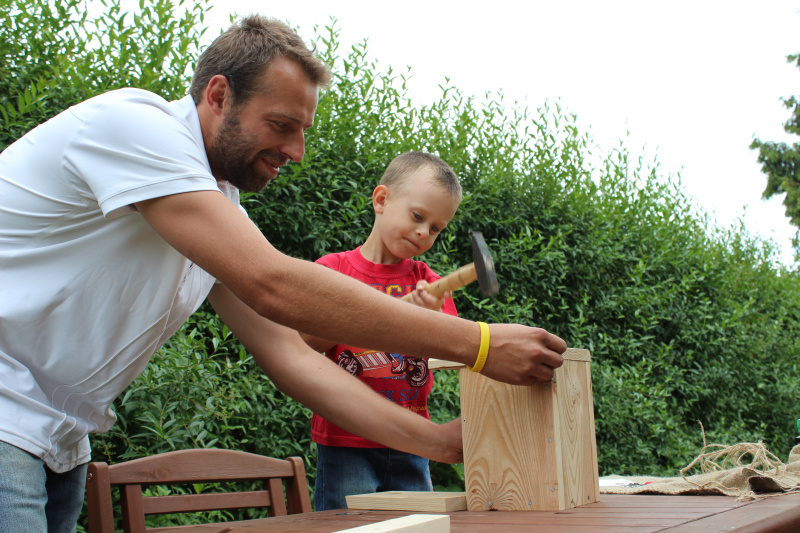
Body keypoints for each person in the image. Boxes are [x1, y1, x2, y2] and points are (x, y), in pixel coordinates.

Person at [0, 14, 566, 532]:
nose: (296, 151)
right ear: (218, 95)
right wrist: (480, 344)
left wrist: (439, 443)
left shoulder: (213, 208)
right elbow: (274, 284)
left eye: (303, 130)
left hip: (60, 439)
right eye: (281, 124)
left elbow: (294, 357)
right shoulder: (133, 126)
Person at [301, 151, 462, 510]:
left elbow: (452, 348)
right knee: (348, 526)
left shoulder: (429, 284)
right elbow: (303, 343)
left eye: (436, 228)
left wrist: (430, 319)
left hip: (412, 437)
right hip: (346, 438)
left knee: (417, 526)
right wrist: (384, 318)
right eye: (418, 216)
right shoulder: (332, 272)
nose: (423, 232)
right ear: (382, 200)